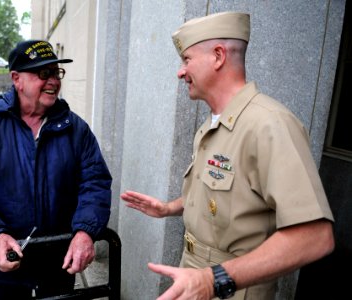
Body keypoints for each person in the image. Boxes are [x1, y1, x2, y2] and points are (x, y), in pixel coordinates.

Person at [120, 12, 334, 300]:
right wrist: (169, 208)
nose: (180, 72)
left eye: (186, 60)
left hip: (235, 288)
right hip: (195, 273)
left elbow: (315, 236)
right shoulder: (211, 125)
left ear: (218, 56)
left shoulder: (270, 124)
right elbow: (225, 198)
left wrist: (213, 280)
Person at [0, 40, 112, 299]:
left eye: (56, 73)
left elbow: (95, 183)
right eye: (43, 74)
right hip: (6, 272)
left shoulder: (75, 129)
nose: (53, 81)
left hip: (59, 266)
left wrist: (85, 232)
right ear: (16, 79)